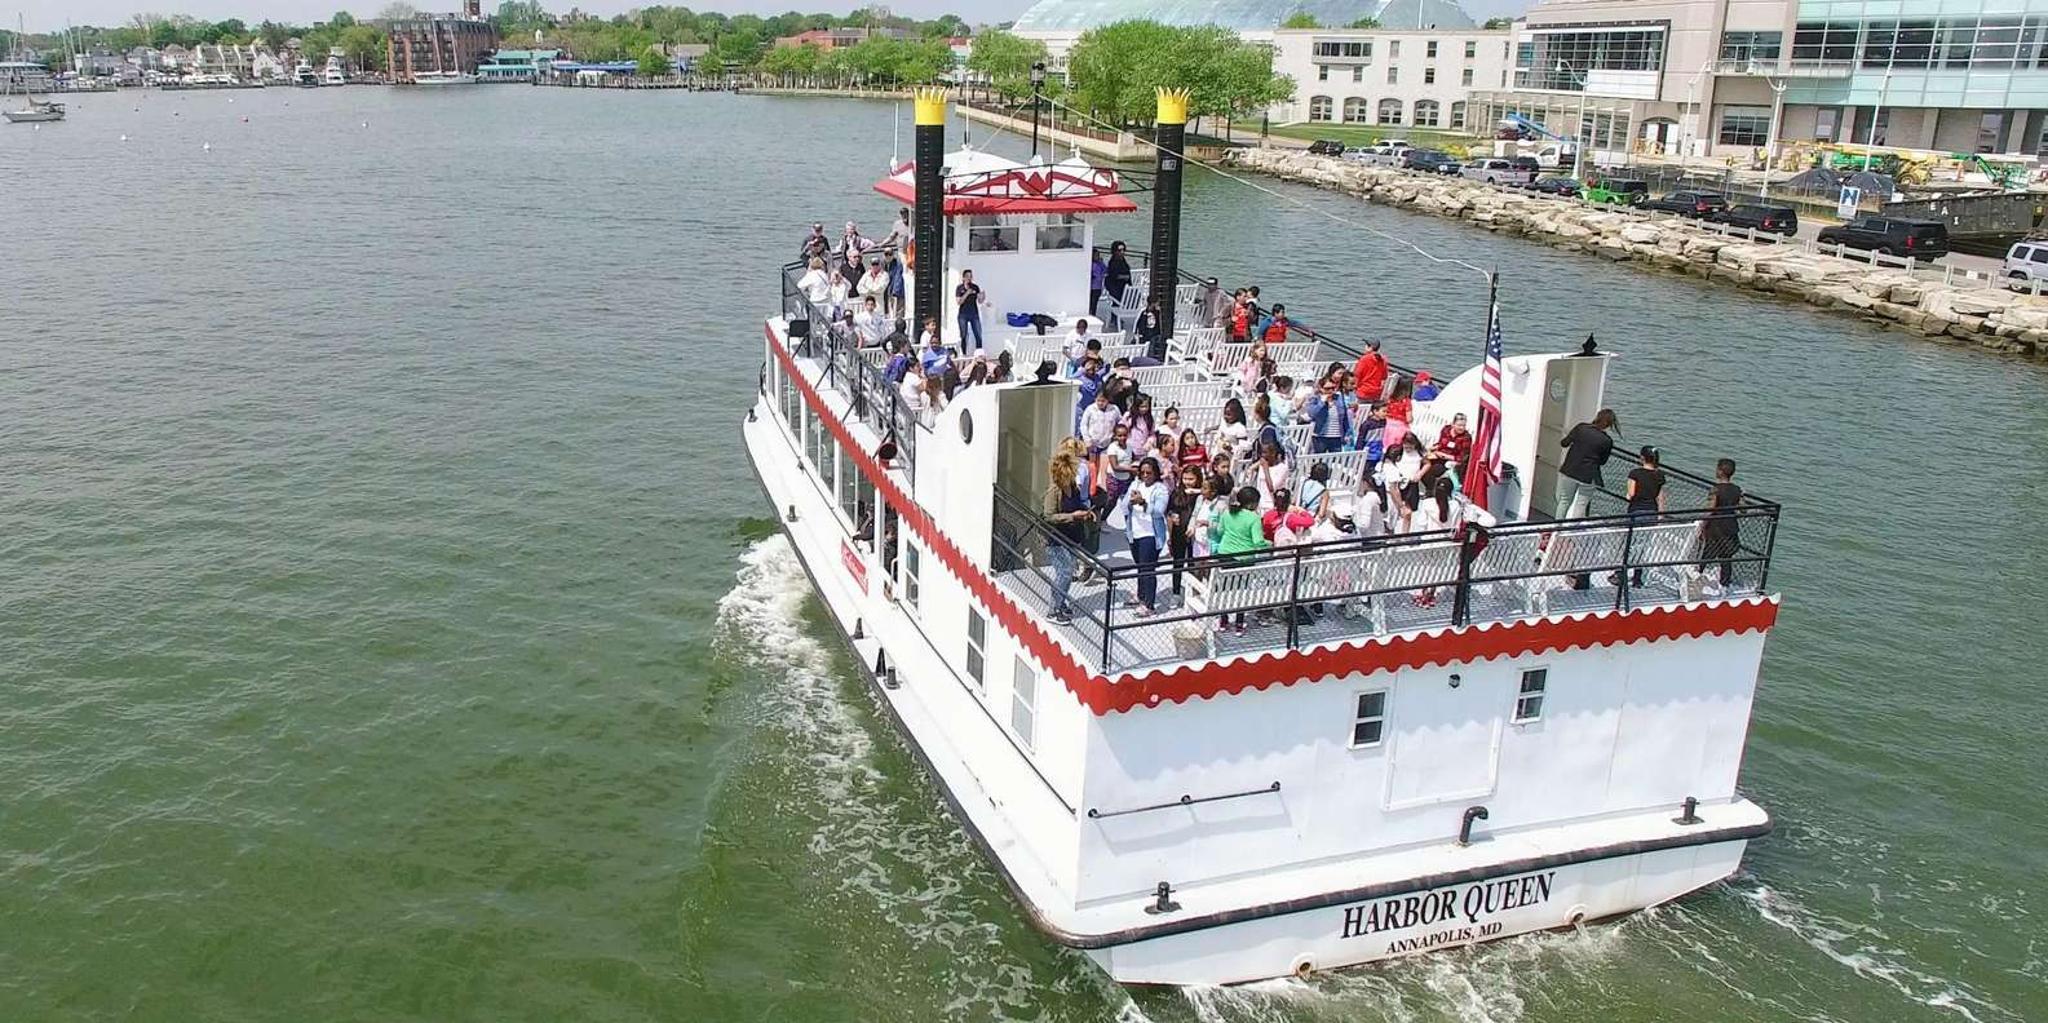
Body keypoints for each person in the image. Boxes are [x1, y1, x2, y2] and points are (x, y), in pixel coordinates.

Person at [1209, 486, 1271, 635]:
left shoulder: (1227, 513)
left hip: (1224, 555)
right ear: (1252, 504)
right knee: (1241, 591)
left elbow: (1220, 532)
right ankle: (1239, 623)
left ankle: (1223, 621)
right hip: (1244, 559)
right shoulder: (1254, 518)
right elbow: (1258, 542)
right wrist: (1269, 544)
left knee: (1224, 590)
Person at [1042, 453, 1095, 626]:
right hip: (1056, 540)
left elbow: (1078, 504)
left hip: (1072, 537)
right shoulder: (1054, 491)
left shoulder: (1074, 487)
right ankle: (1053, 610)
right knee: (1064, 573)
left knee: (1068, 571)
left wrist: (1086, 513)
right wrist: (1072, 516)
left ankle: (1061, 603)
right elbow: (1048, 516)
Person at [1114, 458, 1169, 616]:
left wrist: (1144, 503)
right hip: (1135, 532)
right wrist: (1131, 501)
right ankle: (1140, 595)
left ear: (1155, 473)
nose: (1145, 476)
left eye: (1149, 473)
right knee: (1140, 566)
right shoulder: (1136, 484)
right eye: (1143, 472)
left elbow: (1159, 511)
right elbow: (1124, 505)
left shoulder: (1161, 489)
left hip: (1150, 534)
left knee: (1147, 569)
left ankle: (1149, 604)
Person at [1556, 408, 1619, 520]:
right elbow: (1603, 462)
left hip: (1570, 469)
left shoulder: (1581, 428)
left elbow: (1564, 443)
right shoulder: (1607, 441)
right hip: (1589, 475)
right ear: (1609, 424)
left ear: (1597, 417)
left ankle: (1555, 529)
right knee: (1581, 505)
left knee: (1564, 501)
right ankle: (1570, 534)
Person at [1622, 445, 1668, 586]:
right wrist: (1660, 516)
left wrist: (1628, 493)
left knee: (1631, 544)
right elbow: (1661, 498)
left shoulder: (1635, 473)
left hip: (1636, 511)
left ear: (1642, 458)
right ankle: (1637, 577)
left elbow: (1631, 494)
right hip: (1651, 512)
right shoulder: (1660, 475)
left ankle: (1622, 573)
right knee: (1642, 546)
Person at [1700, 457, 1743, 591]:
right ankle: (1725, 584)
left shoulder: (1716, 489)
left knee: (1706, 555)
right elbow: (1743, 508)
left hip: (1715, 527)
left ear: (1719, 471)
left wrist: (1702, 524)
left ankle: (1695, 577)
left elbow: (1710, 509)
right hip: (1730, 525)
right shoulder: (1737, 490)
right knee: (1726, 557)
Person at [1166, 466, 1202, 598]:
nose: (1187, 482)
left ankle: (1192, 592)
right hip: (1178, 532)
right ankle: (1176, 592)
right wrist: (1172, 516)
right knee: (1178, 563)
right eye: (1185, 478)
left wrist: (1197, 491)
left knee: (1193, 564)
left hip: (1195, 535)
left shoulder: (1202, 495)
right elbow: (1169, 510)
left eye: (1191, 479)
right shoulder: (1176, 492)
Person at [1304, 376, 1352, 454]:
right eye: (1327, 388)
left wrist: (1347, 433)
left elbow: (1345, 417)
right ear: (1321, 389)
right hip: (1320, 436)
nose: (1331, 391)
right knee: (1319, 460)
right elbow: (1312, 414)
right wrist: (1322, 402)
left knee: (1335, 461)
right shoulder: (1315, 399)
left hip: (1337, 436)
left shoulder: (1338, 398)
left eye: (1333, 388)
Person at [1250, 436, 1291, 511]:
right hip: (1260, 505)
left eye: (1265, 453)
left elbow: (1272, 488)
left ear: (1273, 453)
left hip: (1272, 506)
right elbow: (1249, 471)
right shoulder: (1262, 465)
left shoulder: (1282, 468)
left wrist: (1266, 469)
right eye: (1261, 452)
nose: (1262, 455)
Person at [954, 269, 988, 353]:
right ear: (963, 278)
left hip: (974, 314)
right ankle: (964, 354)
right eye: (967, 276)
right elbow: (959, 302)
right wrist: (967, 293)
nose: (969, 278)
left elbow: (979, 301)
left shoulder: (975, 287)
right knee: (963, 335)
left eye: (971, 276)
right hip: (963, 315)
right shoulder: (959, 288)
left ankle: (979, 354)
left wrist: (983, 297)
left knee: (978, 334)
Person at [1353, 339, 1388, 403]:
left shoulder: (1364, 359)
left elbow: (1357, 375)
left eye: (1366, 345)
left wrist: (1355, 387)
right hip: (1376, 392)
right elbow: (1384, 376)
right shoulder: (1383, 359)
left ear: (1370, 348)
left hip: (1364, 392)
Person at [1104, 241, 1133, 313]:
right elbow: (1113, 275)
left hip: (1122, 285)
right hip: (1114, 285)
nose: (1122, 252)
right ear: (1115, 251)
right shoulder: (1113, 262)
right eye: (1119, 250)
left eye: (1123, 250)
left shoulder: (1123, 261)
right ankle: (1115, 315)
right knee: (1117, 298)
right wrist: (1124, 277)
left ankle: (1117, 314)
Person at [1089, 250, 1108, 318]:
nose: (1097, 257)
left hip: (1098, 287)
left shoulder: (1100, 264)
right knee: (1091, 302)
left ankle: (1093, 314)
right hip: (1091, 287)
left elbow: (1106, 270)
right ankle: (1090, 313)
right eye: (1095, 255)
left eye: (1098, 255)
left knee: (1095, 302)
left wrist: (1102, 275)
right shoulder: (1090, 263)